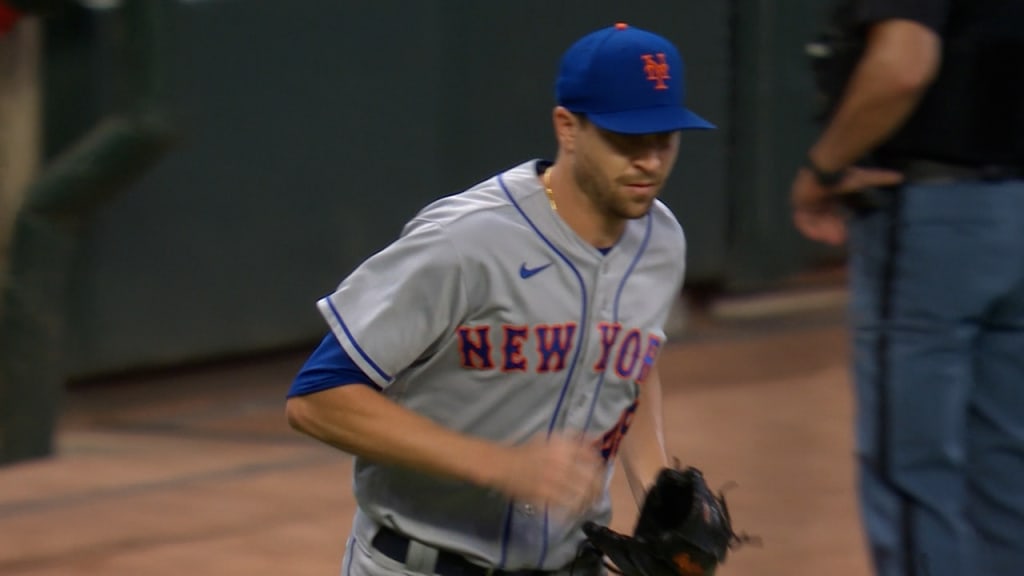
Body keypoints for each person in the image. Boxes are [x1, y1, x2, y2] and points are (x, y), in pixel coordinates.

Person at [286, 22, 714, 576]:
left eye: (664, 139)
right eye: (627, 140)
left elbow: (632, 358)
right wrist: (496, 465)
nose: (650, 162)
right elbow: (317, 399)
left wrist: (657, 489)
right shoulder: (465, 239)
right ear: (568, 127)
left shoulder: (661, 240)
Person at [792, 2, 1024, 575]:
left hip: (936, 218)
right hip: (1014, 211)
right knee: (1004, 463)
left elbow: (903, 65)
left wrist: (822, 168)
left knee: (911, 466)